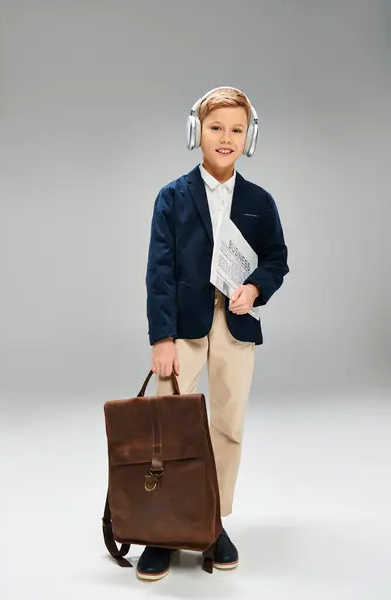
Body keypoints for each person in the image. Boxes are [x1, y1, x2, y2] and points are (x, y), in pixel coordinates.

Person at [137, 87, 289, 581]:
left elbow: (276, 259)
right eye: (216, 127)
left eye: (237, 130)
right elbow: (158, 270)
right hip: (183, 326)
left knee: (228, 425)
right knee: (167, 422)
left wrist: (255, 288)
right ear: (196, 132)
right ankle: (160, 529)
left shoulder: (259, 201)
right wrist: (162, 338)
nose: (226, 138)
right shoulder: (172, 197)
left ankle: (211, 522)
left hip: (236, 326)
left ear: (250, 137)